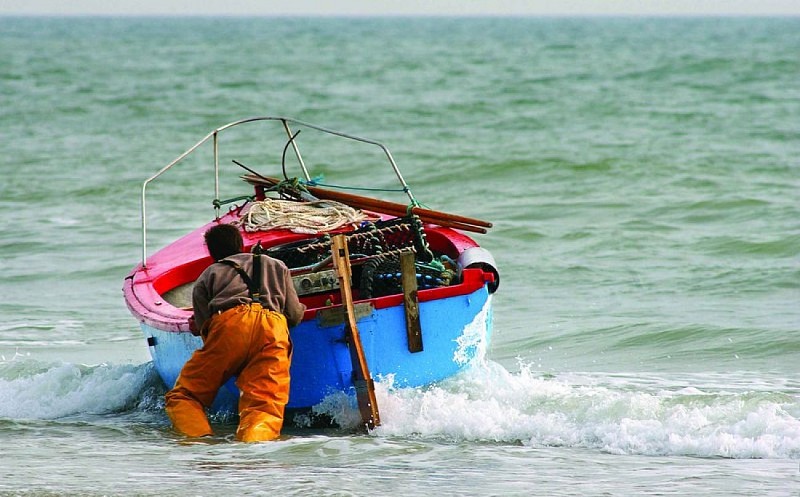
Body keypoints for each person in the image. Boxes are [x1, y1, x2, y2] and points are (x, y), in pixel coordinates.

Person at [165, 223, 306, 442]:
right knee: (264, 407)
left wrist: (231, 358)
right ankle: (253, 450)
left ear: (211, 253)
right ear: (241, 245)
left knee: (184, 396)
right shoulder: (277, 265)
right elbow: (295, 315)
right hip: (274, 328)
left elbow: (206, 328)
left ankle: (201, 441)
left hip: (230, 324)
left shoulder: (208, 274)